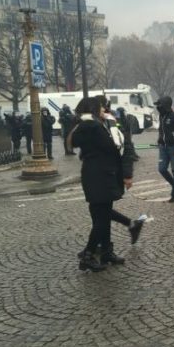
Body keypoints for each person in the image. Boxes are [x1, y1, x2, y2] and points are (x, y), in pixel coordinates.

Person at [69, 96, 142, 272]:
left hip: (100, 175)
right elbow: (111, 147)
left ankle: (107, 252)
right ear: (94, 109)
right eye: (102, 107)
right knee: (100, 220)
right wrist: (114, 132)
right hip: (99, 177)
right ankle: (88, 255)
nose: (105, 110)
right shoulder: (92, 126)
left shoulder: (91, 125)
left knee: (102, 216)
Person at [155, 96, 174, 202]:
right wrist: (159, 140)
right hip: (163, 147)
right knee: (162, 169)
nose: (158, 107)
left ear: (166, 106)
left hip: (173, 148)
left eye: (160, 105)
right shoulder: (161, 116)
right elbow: (161, 130)